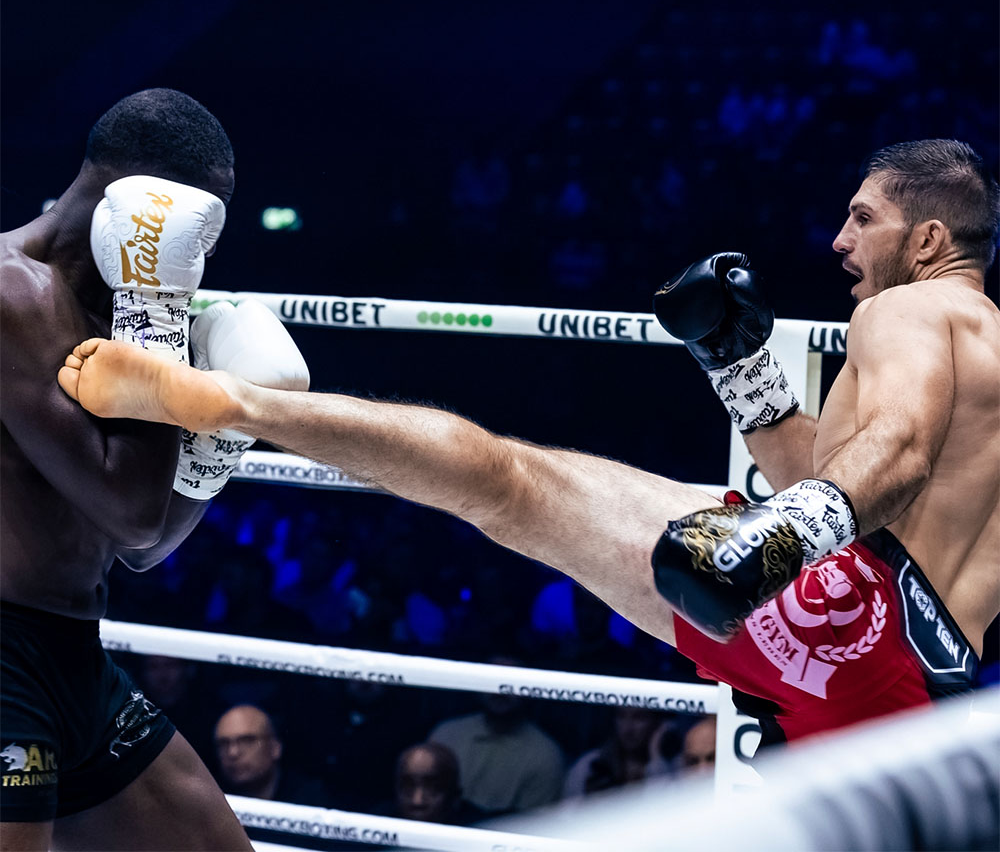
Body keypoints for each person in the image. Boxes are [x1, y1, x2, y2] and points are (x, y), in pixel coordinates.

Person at [58, 139, 999, 747]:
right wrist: (743, 370)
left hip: (858, 623)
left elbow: (897, 454)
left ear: (927, 241)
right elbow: (857, 492)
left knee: (506, 480)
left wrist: (776, 537)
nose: (838, 240)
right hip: (921, 679)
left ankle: (235, 404)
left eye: (863, 218)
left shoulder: (913, 309)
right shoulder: (981, 346)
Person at [1, 88, 307, 850]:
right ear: (138, 202)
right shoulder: (13, 293)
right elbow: (133, 513)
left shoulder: (127, 312)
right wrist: (156, 314)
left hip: (73, 656)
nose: (206, 249)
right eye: (202, 220)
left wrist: (218, 446)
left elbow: (144, 546)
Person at [427, 659, 565, 814]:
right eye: (493, 678)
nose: (500, 690)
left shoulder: (546, 755)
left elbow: (532, 823)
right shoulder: (445, 734)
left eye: (512, 680)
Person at [212, 704, 328, 806]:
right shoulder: (212, 802)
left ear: (275, 747)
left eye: (247, 741)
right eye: (223, 743)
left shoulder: (312, 802)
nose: (233, 752)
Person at [562, 707, 673, 798]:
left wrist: (656, 757)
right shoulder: (588, 766)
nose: (628, 729)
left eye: (639, 718)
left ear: (658, 722)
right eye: (621, 716)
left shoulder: (671, 768)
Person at [380, 743, 485, 825]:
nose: (417, 801)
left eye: (432, 788)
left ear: (455, 795)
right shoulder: (377, 822)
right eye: (408, 786)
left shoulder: (482, 831)